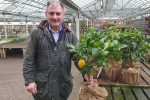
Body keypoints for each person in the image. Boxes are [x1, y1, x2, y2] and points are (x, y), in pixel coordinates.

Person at [23, 0, 93, 100]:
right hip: (42, 88)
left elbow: (78, 57)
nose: (55, 17)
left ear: (63, 15)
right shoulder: (36, 34)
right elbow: (29, 59)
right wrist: (30, 80)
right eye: (51, 13)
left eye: (58, 13)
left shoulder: (70, 35)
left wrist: (86, 73)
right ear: (46, 14)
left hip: (63, 86)